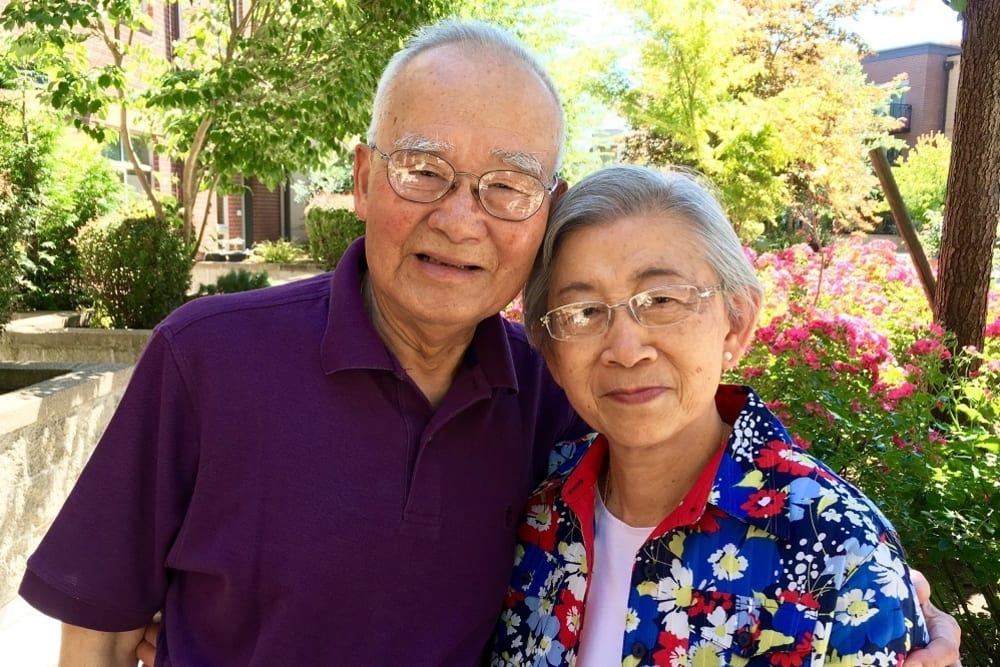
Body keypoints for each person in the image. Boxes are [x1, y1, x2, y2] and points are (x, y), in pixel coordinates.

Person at [18, 19, 959, 667]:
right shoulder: (207, 360)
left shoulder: (550, 407)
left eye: (507, 186)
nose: (460, 218)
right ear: (362, 174)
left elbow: (729, 490)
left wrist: (868, 588)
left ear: (541, 212)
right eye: (423, 168)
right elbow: (99, 630)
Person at [490, 165, 945, 665]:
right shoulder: (538, 514)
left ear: (736, 322)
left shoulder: (838, 549)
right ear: (550, 351)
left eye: (662, 300)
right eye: (584, 312)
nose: (624, 349)